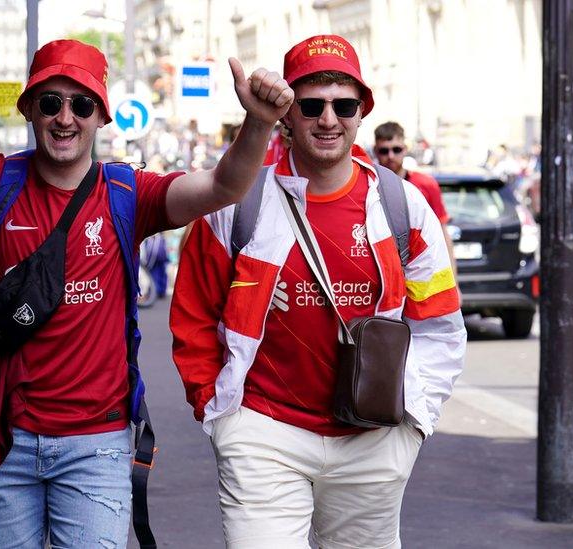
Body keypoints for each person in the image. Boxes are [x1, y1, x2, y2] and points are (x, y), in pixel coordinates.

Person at [0, 18, 293, 548]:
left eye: (81, 105)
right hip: (0, 438)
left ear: (101, 115)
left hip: (95, 445)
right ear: (29, 108)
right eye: (50, 102)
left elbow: (223, 186)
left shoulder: (127, 193)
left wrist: (258, 123)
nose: (64, 118)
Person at [170, 34, 466, 548]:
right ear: (286, 113)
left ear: (361, 112)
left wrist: (413, 421)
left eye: (343, 104)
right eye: (311, 105)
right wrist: (217, 413)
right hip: (262, 435)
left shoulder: (404, 208)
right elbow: (193, 313)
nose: (328, 119)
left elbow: (440, 324)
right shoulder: (236, 203)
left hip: (374, 442)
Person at [374, 121, 457, 275]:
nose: (391, 156)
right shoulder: (369, 187)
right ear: (376, 151)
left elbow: (443, 233)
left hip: (422, 271)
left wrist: (454, 282)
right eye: (384, 151)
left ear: (405, 149)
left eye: (396, 149)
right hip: (384, 273)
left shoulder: (426, 184)